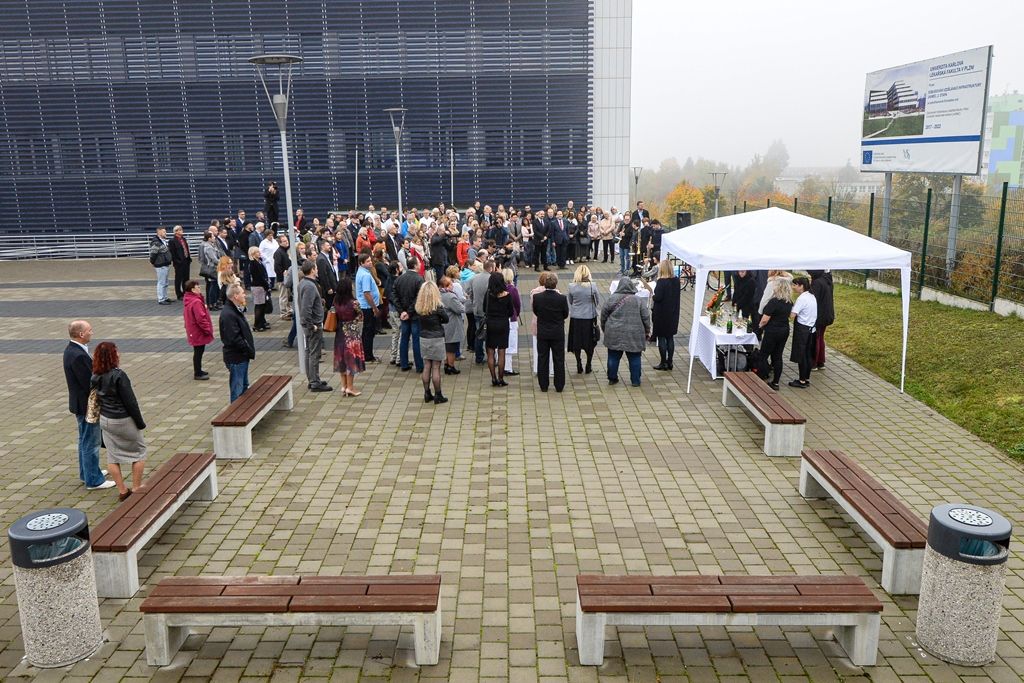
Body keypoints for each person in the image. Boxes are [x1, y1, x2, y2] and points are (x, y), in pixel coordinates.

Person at [90, 341, 146, 501]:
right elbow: (131, 402)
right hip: (123, 419)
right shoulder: (119, 375)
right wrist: (140, 422)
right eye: (117, 351)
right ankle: (136, 488)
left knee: (113, 456)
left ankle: (122, 490)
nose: (119, 354)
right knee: (139, 452)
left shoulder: (95, 376)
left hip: (106, 420)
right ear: (112, 356)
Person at [63, 320, 114, 490]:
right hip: (87, 406)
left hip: (80, 404)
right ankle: (93, 480)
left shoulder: (73, 350)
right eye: (90, 330)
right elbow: (89, 383)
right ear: (81, 334)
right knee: (90, 443)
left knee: (84, 440)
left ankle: (87, 473)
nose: (92, 332)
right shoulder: (78, 355)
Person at [601, 277, 652, 387]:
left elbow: (603, 315)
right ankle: (635, 381)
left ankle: (612, 378)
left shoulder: (611, 299)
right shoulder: (638, 300)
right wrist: (647, 330)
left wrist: (604, 328)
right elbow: (646, 317)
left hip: (614, 332)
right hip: (634, 333)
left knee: (613, 357)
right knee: (634, 357)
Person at [531, 272, 569, 392]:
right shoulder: (562, 298)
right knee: (559, 359)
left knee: (542, 358)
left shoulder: (538, 298)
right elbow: (565, 314)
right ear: (556, 284)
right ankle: (559, 385)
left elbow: (536, 311)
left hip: (542, 331)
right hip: (557, 332)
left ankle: (543, 385)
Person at [298, 260, 331, 392]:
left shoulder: (303, 283)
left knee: (309, 352)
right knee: (314, 353)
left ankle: (312, 378)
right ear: (312, 270)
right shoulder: (310, 286)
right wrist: (311, 325)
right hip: (313, 325)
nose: (317, 270)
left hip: (310, 323)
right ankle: (314, 382)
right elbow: (307, 308)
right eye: (316, 268)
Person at [219, 284, 256, 402]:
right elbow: (234, 338)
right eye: (242, 293)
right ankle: (234, 418)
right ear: (235, 296)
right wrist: (247, 349)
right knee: (237, 390)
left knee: (244, 387)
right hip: (236, 357)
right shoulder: (229, 314)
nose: (244, 295)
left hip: (241, 356)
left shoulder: (234, 310)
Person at [415, 281, 450, 404]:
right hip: (436, 337)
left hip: (424, 337)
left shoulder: (419, 307)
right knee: (436, 367)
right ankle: (438, 394)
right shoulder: (438, 307)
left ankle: (426, 392)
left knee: (427, 366)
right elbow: (446, 319)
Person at [756, 277, 793, 390]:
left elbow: (765, 319)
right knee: (777, 356)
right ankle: (776, 382)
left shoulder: (774, 302)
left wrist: (759, 326)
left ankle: (760, 377)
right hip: (784, 330)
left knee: (763, 354)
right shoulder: (789, 302)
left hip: (772, 331)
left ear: (779, 288)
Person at [333, 277, 366, 397]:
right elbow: (360, 316)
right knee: (351, 360)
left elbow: (333, 314)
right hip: (352, 333)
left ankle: (343, 385)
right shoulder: (354, 303)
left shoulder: (335, 301)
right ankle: (350, 387)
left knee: (341, 358)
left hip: (340, 332)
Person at [566, 265, 600, 374]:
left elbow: (570, 301)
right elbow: (597, 301)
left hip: (576, 317)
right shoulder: (592, 286)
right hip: (589, 317)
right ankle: (588, 364)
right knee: (590, 342)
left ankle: (578, 362)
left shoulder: (572, 286)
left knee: (576, 342)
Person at [650, 260, 681, 371]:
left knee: (662, 337)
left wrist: (652, 295)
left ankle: (663, 362)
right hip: (673, 313)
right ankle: (670, 361)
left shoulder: (661, 282)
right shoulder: (676, 281)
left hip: (661, 314)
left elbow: (658, 297)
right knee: (670, 337)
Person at [484, 271, 513, 387]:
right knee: (502, 352)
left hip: (490, 324)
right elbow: (511, 312)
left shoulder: (488, 294)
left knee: (490, 352)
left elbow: (483, 308)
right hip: (503, 324)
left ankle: (493, 378)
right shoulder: (507, 295)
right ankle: (501, 378)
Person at [789, 276, 818, 389]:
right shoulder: (812, 296)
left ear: (801, 286)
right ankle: (806, 378)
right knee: (808, 355)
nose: (793, 287)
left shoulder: (802, 299)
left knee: (801, 355)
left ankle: (801, 381)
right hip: (812, 329)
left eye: (795, 285)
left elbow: (792, 315)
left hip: (802, 329)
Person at [183, 280, 214, 380]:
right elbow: (201, 318)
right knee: (198, 352)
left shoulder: (190, 299)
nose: (200, 288)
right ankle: (198, 372)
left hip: (193, 330)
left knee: (198, 351)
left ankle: (199, 370)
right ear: (193, 290)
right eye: (198, 287)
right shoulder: (196, 302)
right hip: (198, 331)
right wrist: (207, 329)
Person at [466, 260, 495, 363]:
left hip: (477, 310)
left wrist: (474, 302)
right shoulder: (491, 279)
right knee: (490, 336)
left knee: (479, 334)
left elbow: (469, 292)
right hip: (489, 311)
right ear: (491, 268)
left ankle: (479, 357)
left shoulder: (474, 278)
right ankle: (491, 357)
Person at [355, 253, 381, 362]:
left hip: (367, 306)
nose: (370, 262)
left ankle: (366, 353)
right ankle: (368, 355)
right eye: (368, 261)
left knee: (367, 330)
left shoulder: (363, 271)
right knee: (368, 331)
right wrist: (374, 308)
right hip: (368, 307)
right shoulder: (365, 275)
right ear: (361, 263)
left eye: (370, 260)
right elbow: (367, 293)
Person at [809, 270, 835, 370]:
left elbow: (813, 299)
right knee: (820, 338)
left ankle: (813, 362)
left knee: (815, 338)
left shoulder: (817, 283)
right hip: (827, 314)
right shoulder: (828, 280)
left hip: (818, 315)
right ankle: (820, 361)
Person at [439, 276, 465, 374]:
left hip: (444, 324)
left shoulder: (439, 294)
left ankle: (446, 364)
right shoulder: (450, 296)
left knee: (446, 346)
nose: (452, 286)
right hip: (452, 324)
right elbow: (460, 309)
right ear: (446, 286)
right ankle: (451, 366)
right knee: (452, 347)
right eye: (450, 284)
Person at [502, 268, 522, 377]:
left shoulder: (496, 288)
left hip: (499, 318)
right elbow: (517, 304)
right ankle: (507, 368)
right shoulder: (512, 289)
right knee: (510, 344)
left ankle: (500, 364)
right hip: (511, 319)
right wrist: (516, 314)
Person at [248, 246, 271, 331]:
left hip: (261, 286)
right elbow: (259, 277)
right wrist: (266, 286)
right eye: (257, 252)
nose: (259, 253)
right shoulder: (253, 264)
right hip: (258, 287)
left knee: (262, 306)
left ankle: (262, 322)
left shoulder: (259, 261)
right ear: (253, 254)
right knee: (259, 306)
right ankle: (257, 325)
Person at [149, 226, 173, 305]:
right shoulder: (156, 242)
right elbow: (153, 254)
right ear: (158, 232)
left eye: (165, 231)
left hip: (165, 264)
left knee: (165, 282)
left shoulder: (163, 241)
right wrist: (153, 262)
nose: (165, 233)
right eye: (163, 232)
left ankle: (165, 297)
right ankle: (161, 299)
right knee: (161, 282)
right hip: (160, 265)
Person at [168, 225, 192, 301]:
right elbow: (172, 253)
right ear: (176, 232)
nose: (182, 231)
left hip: (186, 261)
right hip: (179, 263)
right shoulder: (172, 241)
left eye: (182, 229)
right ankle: (179, 294)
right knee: (179, 279)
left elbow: (186, 249)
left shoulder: (183, 239)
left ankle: (186, 292)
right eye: (180, 230)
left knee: (186, 278)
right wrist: (177, 261)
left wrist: (189, 258)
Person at [199, 231, 221, 309]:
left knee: (214, 286)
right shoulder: (208, 247)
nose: (214, 238)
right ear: (209, 238)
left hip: (214, 268)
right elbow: (214, 259)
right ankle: (212, 303)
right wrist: (223, 262)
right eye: (213, 237)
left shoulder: (211, 245)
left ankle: (214, 303)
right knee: (213, 286)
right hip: (212, 269)